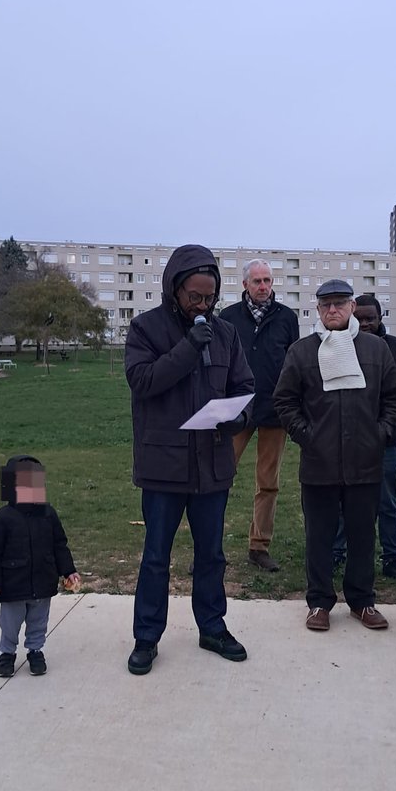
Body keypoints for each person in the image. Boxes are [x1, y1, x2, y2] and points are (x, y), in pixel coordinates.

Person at [124, 244, 255, 675]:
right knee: (156, 556)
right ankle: (147, 636)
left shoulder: (227, 333)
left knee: (211, 555)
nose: (203, 305)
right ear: (174, 290)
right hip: (164, 467)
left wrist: (239, 418)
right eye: (195, 297)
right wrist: (186, 349)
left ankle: (212, 627)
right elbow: (143, 382)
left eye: (210, 297)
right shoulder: (145, 329)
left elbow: (243, 386)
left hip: (212, 463)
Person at [273, 280, 396, 632]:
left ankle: (362, 600)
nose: (333, 310)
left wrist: (379, 435)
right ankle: (319, 602)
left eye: (340, 304)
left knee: (363, 534)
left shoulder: (376, 349)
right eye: (326, 305)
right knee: (319, 535)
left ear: (351, 307)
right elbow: (284, 400)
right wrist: (307, 436)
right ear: (317, 310)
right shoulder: (302, 352)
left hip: (366, 461)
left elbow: (394, 399)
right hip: (319, 462)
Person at [217, 259, 299, 572]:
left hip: (275, 410)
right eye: (257, 281)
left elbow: (294, 362)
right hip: (236, 410)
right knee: (219, 479)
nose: (263, 286)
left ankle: (259, 545)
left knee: (268, 483)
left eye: (267, 280)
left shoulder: (286, 318)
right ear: (245, 285)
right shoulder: (228, 317)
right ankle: (211, 549)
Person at [335, 294, 396, 582]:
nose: (365, 323)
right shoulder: (338, 345)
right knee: (342, 499)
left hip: (385, 440)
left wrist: (386, 421)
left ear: (381, 318)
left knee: (387, 501)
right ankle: (337, 552)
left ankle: (391, 556)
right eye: (360, 318)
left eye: (371, 318)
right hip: (345, 439)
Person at [0, 455, 81, 676]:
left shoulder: (48, 514)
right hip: (12, 584)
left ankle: (35, 650)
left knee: (38, 621)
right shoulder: (2, 518)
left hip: (42, 579)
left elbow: (59, 543)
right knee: (10, 623)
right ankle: (7, 653)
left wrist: (68, 570)